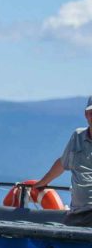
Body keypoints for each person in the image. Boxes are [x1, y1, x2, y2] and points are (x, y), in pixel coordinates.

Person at [32, 96, 92, 227]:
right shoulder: (77, 136)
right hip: (76, 213)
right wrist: (43, 182)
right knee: (60, 239)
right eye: (91, 113)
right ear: (86, 114)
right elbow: (62, 163)